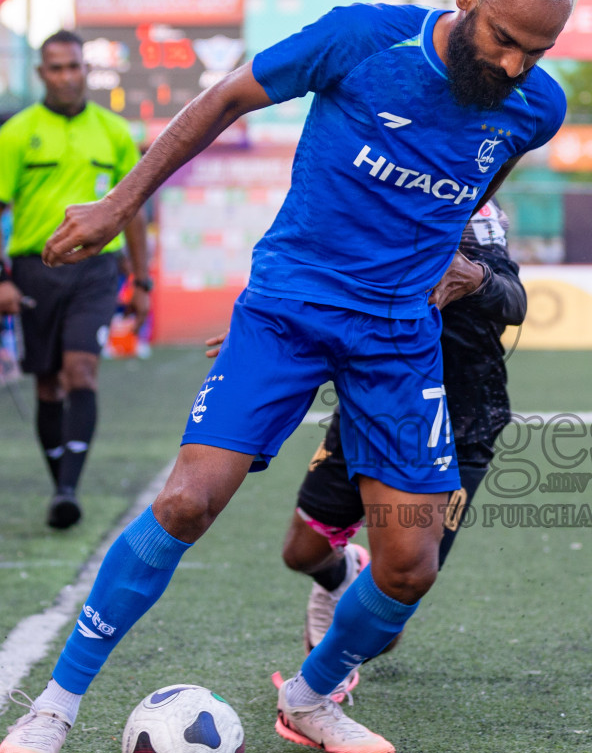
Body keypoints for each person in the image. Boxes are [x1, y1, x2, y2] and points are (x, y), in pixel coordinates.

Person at [0, 0, 575, 753]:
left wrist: (428, 269)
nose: (518, 65)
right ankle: (54, 708)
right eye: (505, 39)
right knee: (189, 503)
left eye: (539, 50)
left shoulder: (538, 107)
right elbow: (227, 97)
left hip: (395, 337)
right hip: (289, 310)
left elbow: (474, 180)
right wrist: (122, 204)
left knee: (409, 565)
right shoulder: (360, 38)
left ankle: (310, 698)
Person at [209, 201, 523, 691]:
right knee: (301, 552)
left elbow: (514, 302)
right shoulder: (365, 187)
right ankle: (343, 575)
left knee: (390, 609)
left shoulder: (471, 202)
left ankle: (311, 694)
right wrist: (265, 333)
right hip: (374, 402)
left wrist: (475, 277)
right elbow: (317, 284)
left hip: (462, 423)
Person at [0, 30, 150, 530]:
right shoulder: (16, 132)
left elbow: (134, 211)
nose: (67, 76)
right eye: (56, 68)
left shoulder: (113, 132)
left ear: (85, 70)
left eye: (74, 66)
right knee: (47, 385)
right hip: (34, 269)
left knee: (81, 372)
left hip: (97, 269)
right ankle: (61, 486)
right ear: (41, 74)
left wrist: (141, 282)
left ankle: (69, 489)